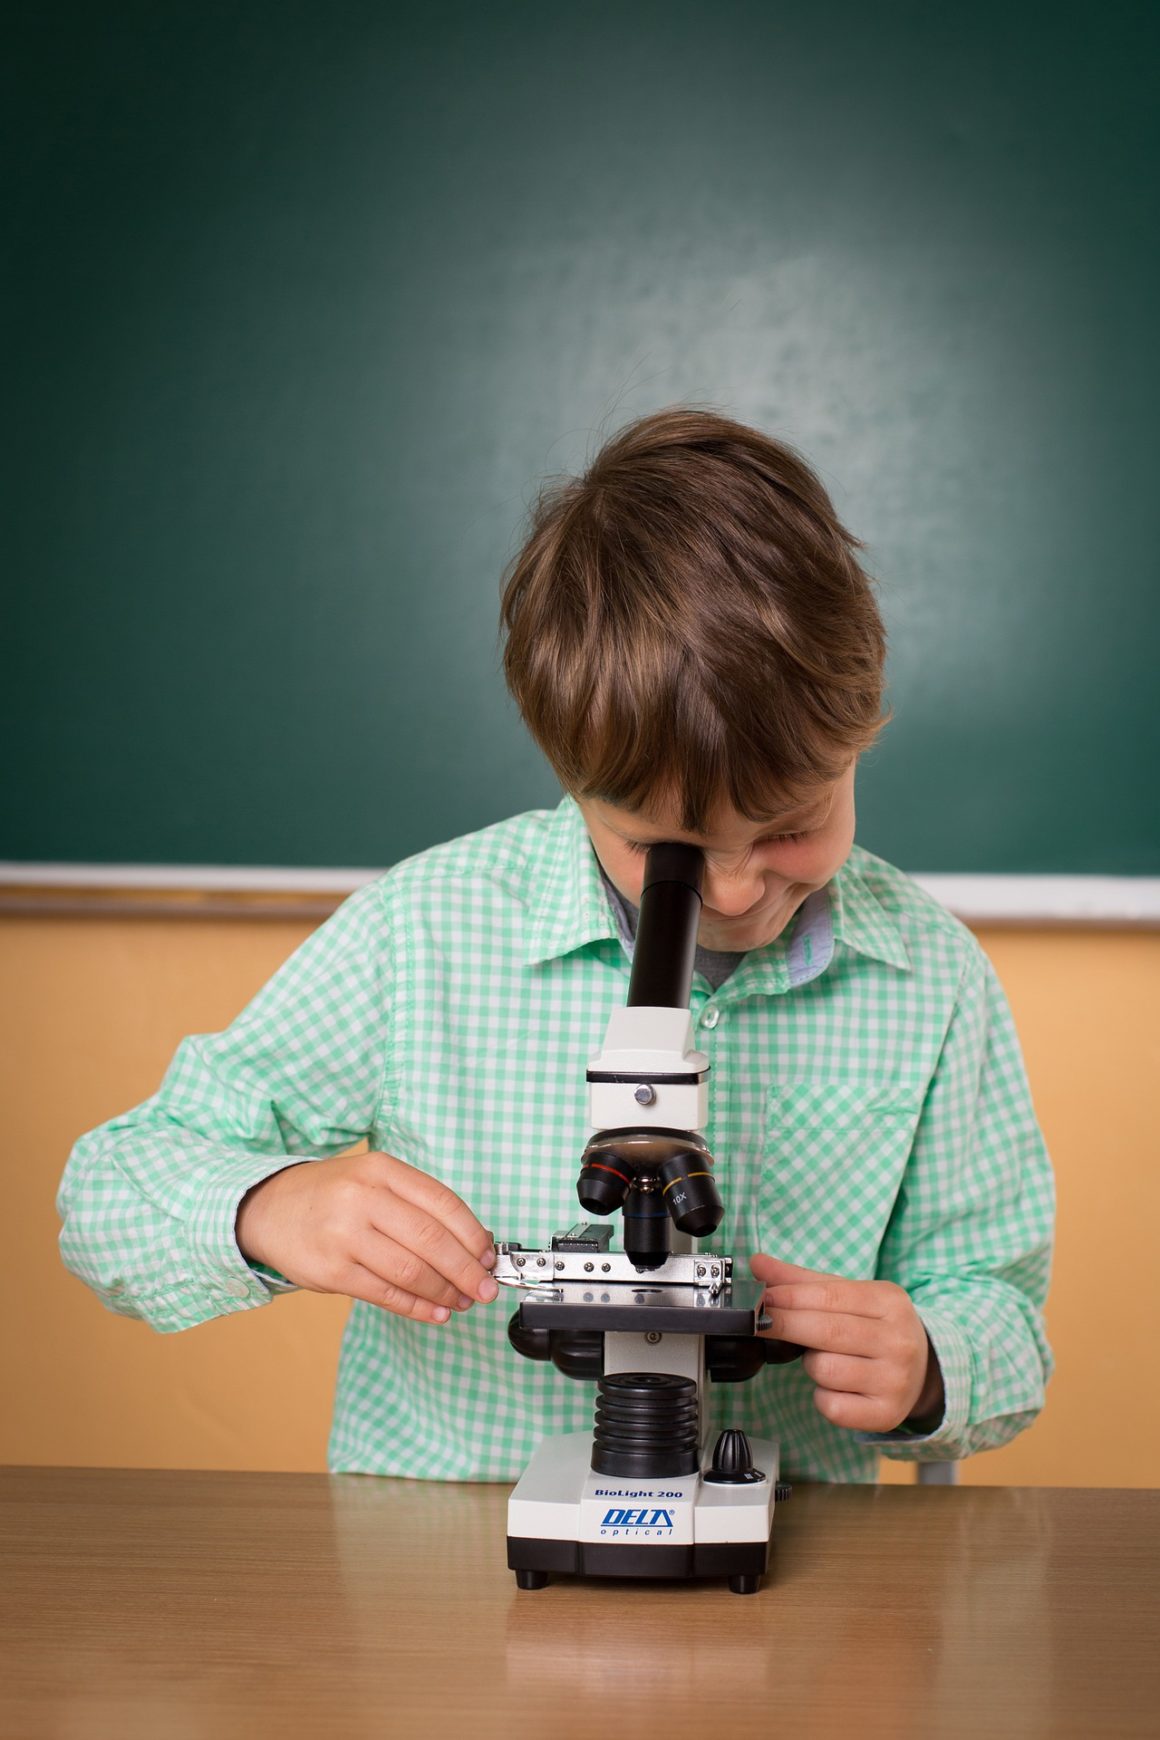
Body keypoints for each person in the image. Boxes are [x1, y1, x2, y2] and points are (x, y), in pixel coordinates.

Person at [58, 409, 1054, 1483]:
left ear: (856, 737)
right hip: (439, 1581)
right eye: (660, 849)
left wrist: (930, 1366)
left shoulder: (930, 979)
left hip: (795, 1595)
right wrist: (266, 1206)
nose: (725, 890)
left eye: (784, 829)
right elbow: (108, 1190)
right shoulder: (428, 930)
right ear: (569, 778)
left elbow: (996, 1303)